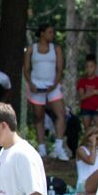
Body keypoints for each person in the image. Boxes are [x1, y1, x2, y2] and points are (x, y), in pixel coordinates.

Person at [22, 23, 70, 161]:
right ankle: (42, 148)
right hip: (36, 86)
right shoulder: (31, 49)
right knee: (38, 116)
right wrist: (30, 84)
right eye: (49, 32)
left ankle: (58, 147)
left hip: (53, 87)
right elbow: (26, 69)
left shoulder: (56, 49)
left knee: (61, 114)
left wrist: (54, 84)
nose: (52, 35)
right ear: (42, 33)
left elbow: (60, 69)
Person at [76, 53, 98, 133]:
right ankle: (87, 145)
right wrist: (94, 92)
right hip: (86, 109)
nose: (89, 69)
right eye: (87, 67)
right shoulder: (82, 81)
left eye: (91, 67)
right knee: (88, 132)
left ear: (95, 67)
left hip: (97, 109)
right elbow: (82, 97)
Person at [75, 128, 98, 194]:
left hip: (96, 184)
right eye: (97, 138)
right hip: (83, 184)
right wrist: (93, 144)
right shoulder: (81, 150)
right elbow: (91, 161)